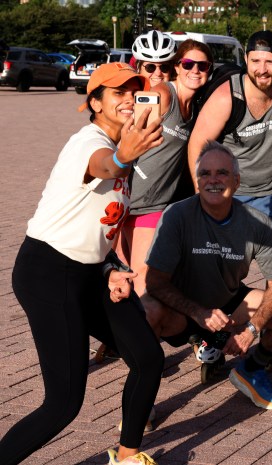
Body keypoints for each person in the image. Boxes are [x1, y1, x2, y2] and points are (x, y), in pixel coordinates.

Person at [0, 63, 165, 465]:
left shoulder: (120, 142)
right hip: (47, 273)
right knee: (63, 404)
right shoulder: (87, 142)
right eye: (117, 92)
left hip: (91, 273)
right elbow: (105, 165)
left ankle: (126, 456)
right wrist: (126, 154)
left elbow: (98, 225)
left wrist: (110, 268)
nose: (128, 98)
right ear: (94, 102)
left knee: (147, 357)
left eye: (134, 91)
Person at [142, 142, 272, 410]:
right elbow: (154, 282)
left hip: (228, 304)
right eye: (205, 174)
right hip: (183, 310)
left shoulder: (258, 223)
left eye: (221, 173)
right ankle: (142, 399)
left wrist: (251, 330)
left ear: (237, 180)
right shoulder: (177, 215)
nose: (213, 180)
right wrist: (198, 312)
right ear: (197, 181)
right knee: (145, 310)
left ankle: (251, 370)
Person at [187, 31, 272, 272]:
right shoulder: (228, 97)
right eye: (255, 61)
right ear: (246, 60)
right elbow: (197, 144)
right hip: (230, 193)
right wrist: (202, 197)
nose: (262, 69)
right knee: (223, 270)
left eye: (270, 61)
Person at [117, 39, 213, 297]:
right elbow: (124, 140)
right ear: (180, 67)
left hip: (153, 205)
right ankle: (135, 337)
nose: (194, 70)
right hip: (131, 201)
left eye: (201, 65)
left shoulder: (194, 107)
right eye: (188, 64)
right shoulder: (161, 96)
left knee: (135, 281)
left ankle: (129, 336)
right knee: (138, 284)